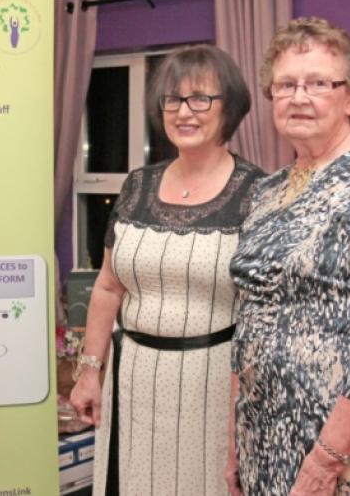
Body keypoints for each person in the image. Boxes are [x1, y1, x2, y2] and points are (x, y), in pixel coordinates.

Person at [226, 17, 350, 495]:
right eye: (286, 84)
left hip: (336, 449)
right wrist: (235, 445)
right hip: (262, 435)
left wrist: (325, 462)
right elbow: (247, 316)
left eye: (318, 83)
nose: (299, 97)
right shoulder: (267, 191)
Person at [70, 45, 265, 495]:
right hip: (132, 378)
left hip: (213, 384)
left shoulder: (258, 192)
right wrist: (89, 370)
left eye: (201, 98)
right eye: (173, 99)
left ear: (230, 107)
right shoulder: (137, 185)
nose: (184, 112)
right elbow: (108, 286)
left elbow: (264, 314)